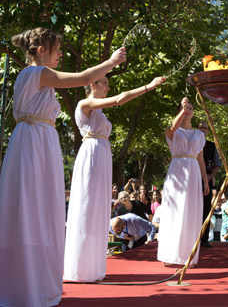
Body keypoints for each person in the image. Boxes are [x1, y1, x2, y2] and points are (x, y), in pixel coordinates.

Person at [0, 27, 125, 306]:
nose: (61, 54)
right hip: (33, 144)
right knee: (30, 209)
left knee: (40, 210)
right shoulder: (36, 73)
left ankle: (34, 280)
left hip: (39, 141)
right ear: (42, 50)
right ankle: (24, 284)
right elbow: (84, 78)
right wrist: (112, 61)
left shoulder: (38, 79)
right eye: (57, 49)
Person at [63, 75, 165, 282]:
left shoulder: (98, 110)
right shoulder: (85, 104)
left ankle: (92, 265)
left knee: (98, 209)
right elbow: (120, 99)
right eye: (105, 83)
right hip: (91, 155)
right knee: (87, 206)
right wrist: (148, 86)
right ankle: (80, 267)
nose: (108, 87)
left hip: (101, 155)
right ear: (92, 84)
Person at [157, 97, 209, 267]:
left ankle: (188, 255)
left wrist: (205, 181)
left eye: (191, 107)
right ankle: (169, 254)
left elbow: (201, 159)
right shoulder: (173, 131)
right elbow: (172, 128)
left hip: (193, 171)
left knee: (190, 212)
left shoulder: (199, 134)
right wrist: (182, 111)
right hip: (177, 169)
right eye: (185, 107)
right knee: (174, 210)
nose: (189, 110)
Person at [198, 121, 222, 248]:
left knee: (206, 209)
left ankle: (204, 239)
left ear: (208, 131)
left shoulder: (212, 146)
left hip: (205, 181)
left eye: (205, 128)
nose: (202, 129)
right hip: (192, 181)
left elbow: (218, 164)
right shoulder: (191, 143)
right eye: (200, 127)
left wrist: (210, 177)